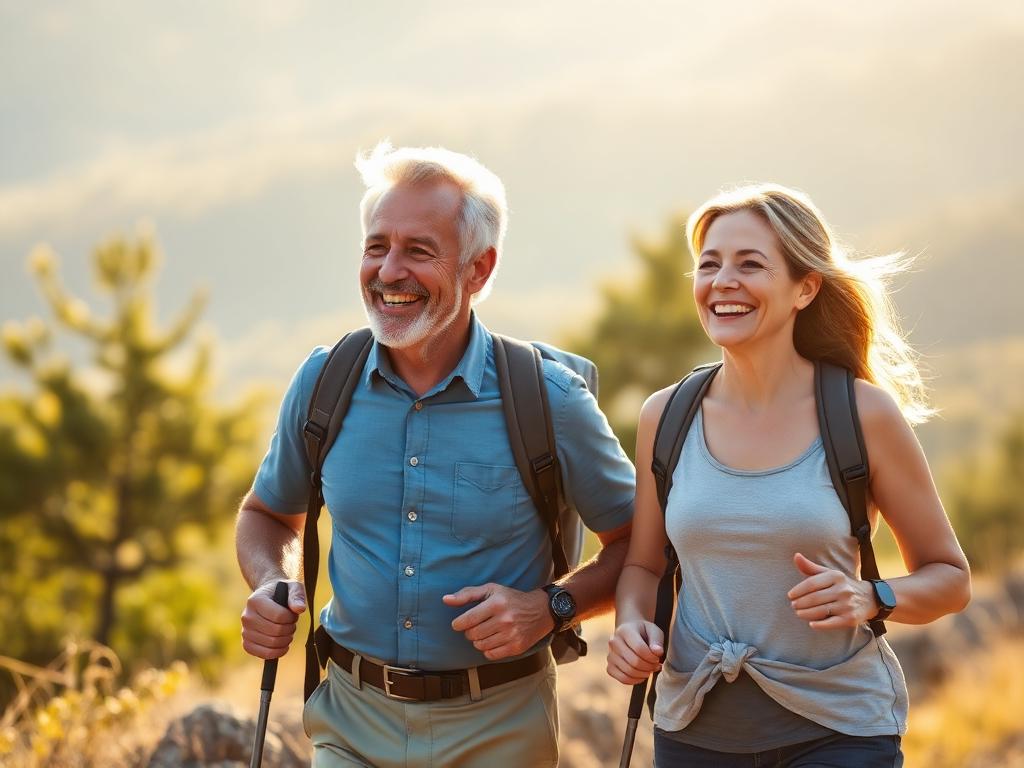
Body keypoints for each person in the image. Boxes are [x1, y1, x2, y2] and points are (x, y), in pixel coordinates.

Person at [236, 142, 634, 767]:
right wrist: (272, 582)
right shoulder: (322, 382)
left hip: (500, 726)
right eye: (376, 246)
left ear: (479, 269)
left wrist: (551, 607)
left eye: (418, 251)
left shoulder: (550, 399)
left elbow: (640, 542)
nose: (389, 270)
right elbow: (266, 514)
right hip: (349, 719)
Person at [607, 183, 971, 767]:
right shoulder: (666, 414)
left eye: (750, 264)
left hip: (839, 734)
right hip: (693, 734)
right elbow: (644, 566)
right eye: (709, 264)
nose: (723, 281)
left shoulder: (862, 413)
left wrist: (871, 597)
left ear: (805, 287)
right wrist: (630, 626)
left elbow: (950, 578)